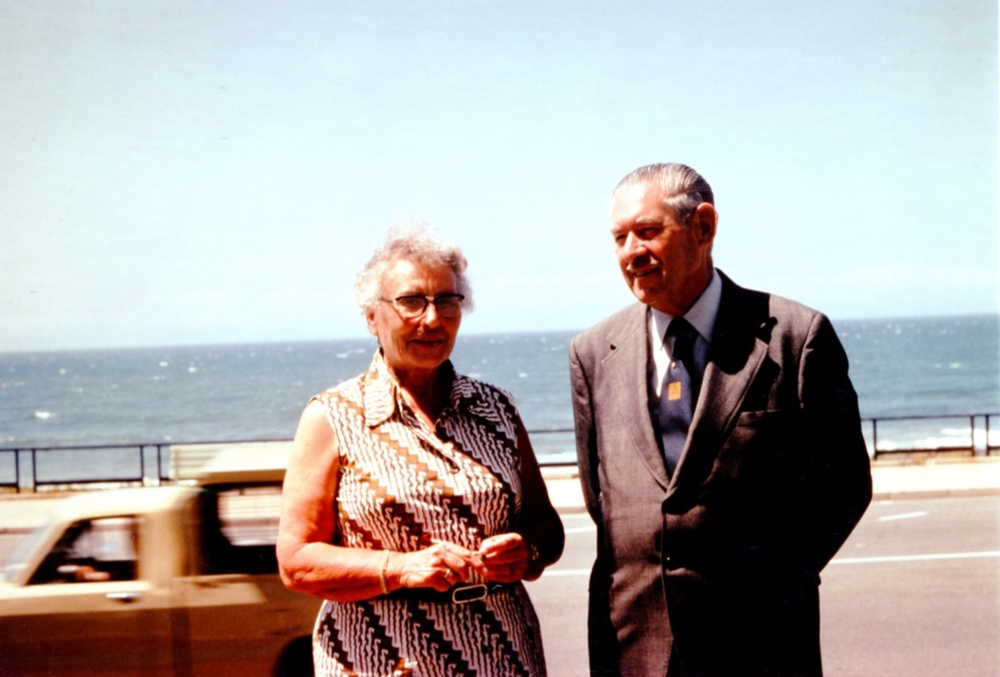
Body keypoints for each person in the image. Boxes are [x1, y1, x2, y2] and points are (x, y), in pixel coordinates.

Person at [569, 163, 872, 677]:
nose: (631, 252)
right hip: (634, 647)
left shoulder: (795, 337)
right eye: (620, 238)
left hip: (762, 642)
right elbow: (602, 498)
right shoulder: (594, 352)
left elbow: (843, 486)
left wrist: (769, 581)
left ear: (703, 227)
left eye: (648, 231)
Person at [277, 224, 564, 677]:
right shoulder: (332, 417)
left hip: (503, 653)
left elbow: (546, 526)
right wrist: (402, 568)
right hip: (381, 658)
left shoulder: (495, 408)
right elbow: (296, 562)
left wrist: (527, 550)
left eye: (447, 301)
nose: (432, 319)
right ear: (372, 317)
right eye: (411, 301)